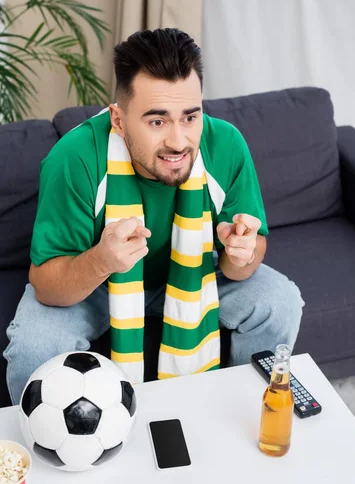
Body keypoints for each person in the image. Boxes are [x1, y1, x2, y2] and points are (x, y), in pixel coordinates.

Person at [4, 28, 304, 404]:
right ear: (118, 118)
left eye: (190, 117)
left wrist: (240, 253)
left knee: (279, 301)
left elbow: (242, 265)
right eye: (157, 121)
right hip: (95, 285)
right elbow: (46, 283)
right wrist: (101, 261)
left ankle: (244, 412)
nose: (179, 141)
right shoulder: (75, 157)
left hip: (194, 271)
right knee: (35, 349)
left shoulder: (225, 144)